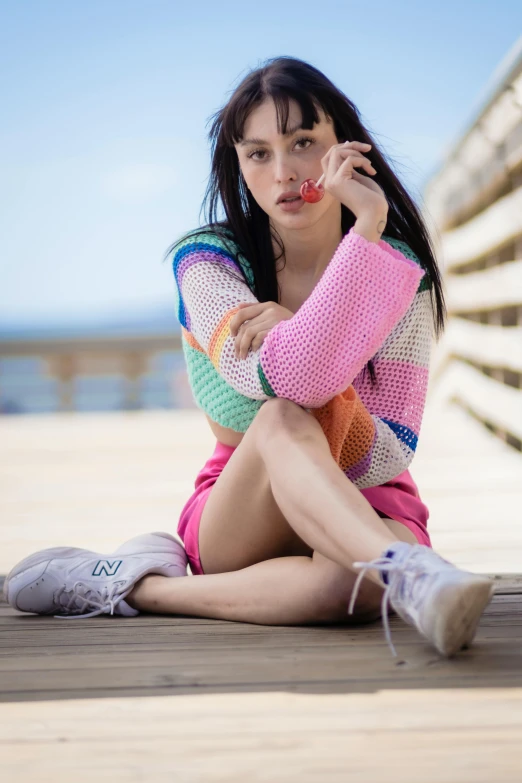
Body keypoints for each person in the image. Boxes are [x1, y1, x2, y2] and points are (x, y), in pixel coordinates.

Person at [4, 56, 495, 658]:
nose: (285, 172)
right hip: (245, 503)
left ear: (345, 146)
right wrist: (326, 303)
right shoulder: (209, 263)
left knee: (355, 584)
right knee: (283, 416)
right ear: (237, 164)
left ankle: (145, 586)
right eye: (258, 153)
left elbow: (389, 446)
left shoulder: (398, 271)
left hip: (366, 492)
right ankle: (410, 572)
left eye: (304, 143)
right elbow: (281, 385)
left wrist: (355, 248)